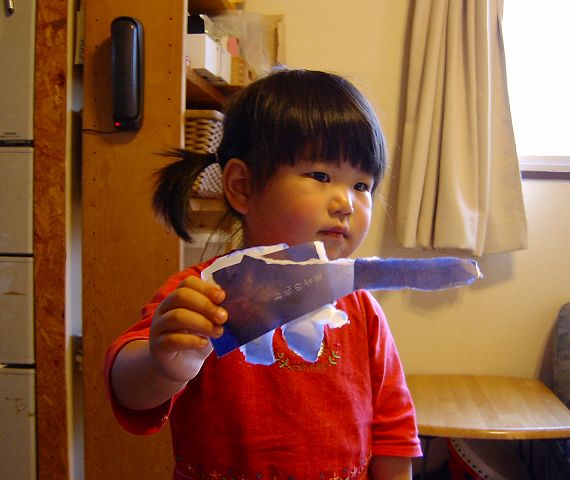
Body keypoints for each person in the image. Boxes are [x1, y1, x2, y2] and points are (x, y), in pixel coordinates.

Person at [105, 69, 422, 480]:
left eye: (362, 185)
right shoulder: (204, 294)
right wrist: (161, 365)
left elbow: (394, 431)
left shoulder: (362, 309)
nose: (346, 202)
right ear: (242, 186)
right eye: (321, 176)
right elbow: (127, 389)